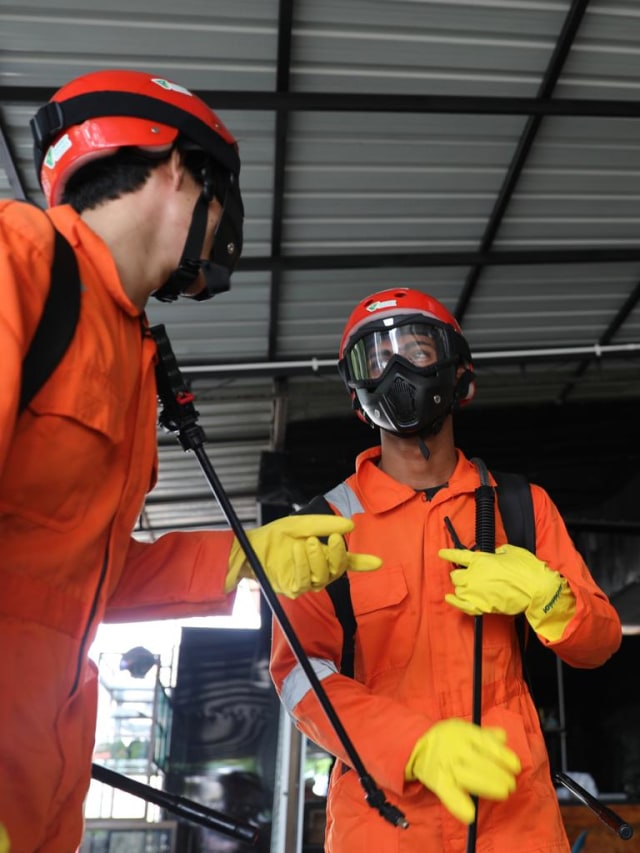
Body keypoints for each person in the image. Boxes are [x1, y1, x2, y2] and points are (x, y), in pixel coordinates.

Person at [0, 69, 380, 853]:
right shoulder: (19, 258)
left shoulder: (130, 349)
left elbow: (77, 579)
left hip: (42, 778)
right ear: (176, 168)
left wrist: (245, 558)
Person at [270, 287, 623, 852]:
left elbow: (599, 643)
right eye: (377, 359)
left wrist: (547, 597)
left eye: (418, 349)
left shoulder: (520, 507)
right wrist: (411, 745)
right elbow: (298, 677)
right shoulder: (322, 526)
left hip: (515, 814)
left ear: (462, 377)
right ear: (359, 400)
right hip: (384, 820)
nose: (398, 369)